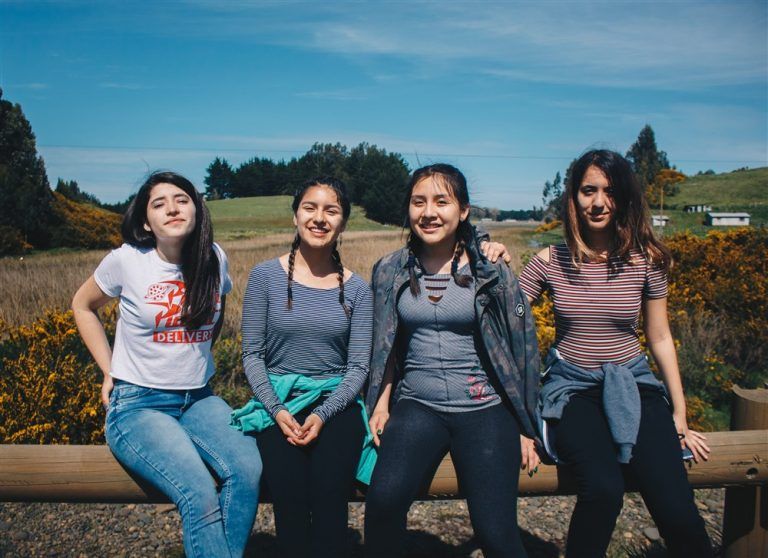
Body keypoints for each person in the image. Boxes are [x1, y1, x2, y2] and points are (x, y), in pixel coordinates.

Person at [519, 149, 713, 557]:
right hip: (572, 388)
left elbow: (660, 337)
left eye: (609, 191)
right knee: (603, 491)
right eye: (588, 190)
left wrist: (680, 414)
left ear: (624, 197)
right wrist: (491, 256)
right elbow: (504, 321)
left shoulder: (647, 260)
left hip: (633, 382)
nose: (598, 202)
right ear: (573, 197)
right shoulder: (549, 261)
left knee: (677, 510)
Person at [72, 171, 261, 558]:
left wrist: (198, 353)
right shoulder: (126, 261)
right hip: (139, 405)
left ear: (197, 210)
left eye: (181, 200)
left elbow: (218, 305)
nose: (172, 209)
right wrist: (108, 370)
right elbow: (82, 305)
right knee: (198, 491)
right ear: (146, 222)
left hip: (199, 398)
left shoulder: (214, 257)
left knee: (247, 469)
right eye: (159, 204)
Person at [364, 163, 541, 558]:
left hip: (484, 408)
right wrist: (381, 403)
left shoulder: (490, 270)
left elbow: (521, 348)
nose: (429, 212)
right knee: (383, 503)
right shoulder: (390, 270)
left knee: (496, 533)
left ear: (463, 211)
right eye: (419, 202)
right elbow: (386, 344)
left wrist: (525, 425)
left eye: (441, 202)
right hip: (418, 404)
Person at [230, 177, 374, 558]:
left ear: (343, 223)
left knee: (331, 503)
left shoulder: (358, 290)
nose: (319, 218)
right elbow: (253, 355)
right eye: (310, 208)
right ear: (295, 216)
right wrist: (277, 410)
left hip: (337, 405)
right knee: (289, 503)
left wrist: (324, 414)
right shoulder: (264, 277)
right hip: (278, 403)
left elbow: (358, 367)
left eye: (331, 210)